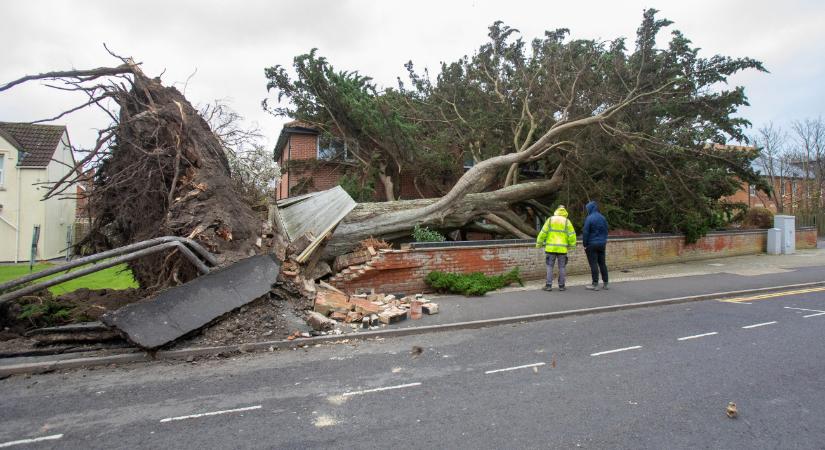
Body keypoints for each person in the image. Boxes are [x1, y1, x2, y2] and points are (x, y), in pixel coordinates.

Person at [536, 205, 576, 291]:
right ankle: (561, 286)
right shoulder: (567, 221)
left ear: (556, 210)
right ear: (564, 212)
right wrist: (572, 245)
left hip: (551, 248)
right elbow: (572, 235)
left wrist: (539, 243)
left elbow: (543, 232)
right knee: (562, 267)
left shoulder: (550, 220)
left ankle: (548, 285)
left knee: (550, 267)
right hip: (562, 249)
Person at [582, 200, 609, 290]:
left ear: (590, 208)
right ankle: (606, 283)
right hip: (602, 244)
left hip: (592, 244)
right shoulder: (603, 218)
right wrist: (604, 240)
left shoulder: (589, 218)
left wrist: (585, 244)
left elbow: (586, 232)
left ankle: (595, 284)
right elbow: (606, 230)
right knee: (602, 264)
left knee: (593, 264)